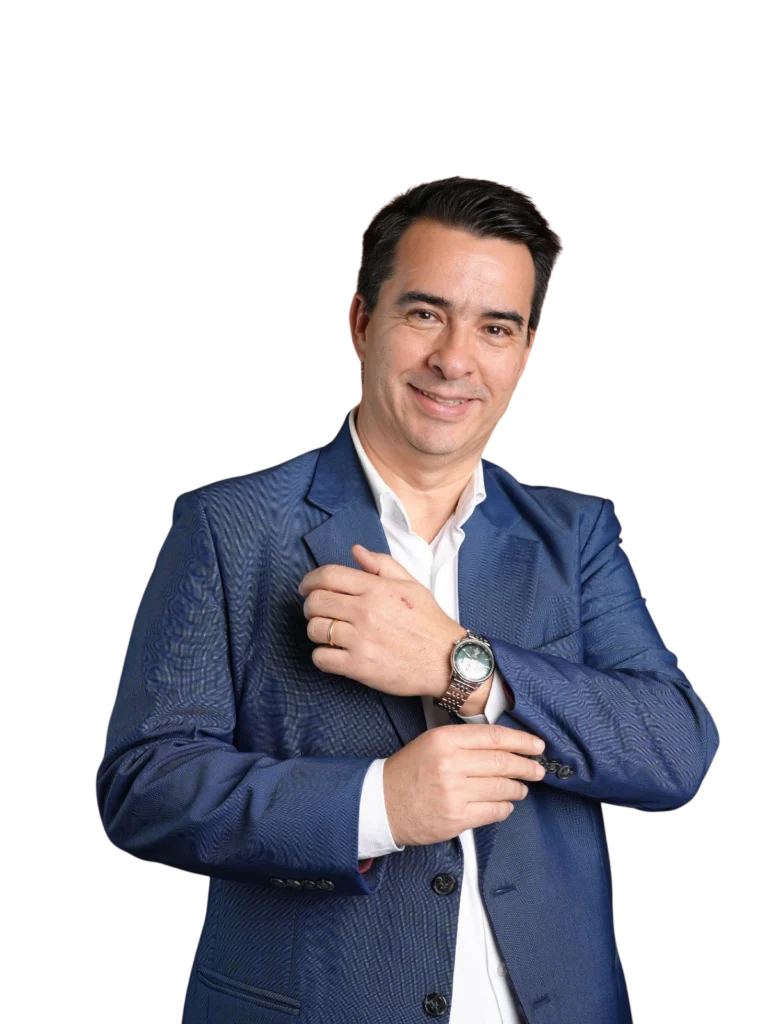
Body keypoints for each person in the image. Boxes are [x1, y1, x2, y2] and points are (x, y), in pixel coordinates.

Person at [96, 177, 721, 1023]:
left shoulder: (574, 536)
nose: (454, 360)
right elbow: (144, 788)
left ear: (526, 352)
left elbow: (674, 750)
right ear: (361, 322)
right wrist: (378, 804)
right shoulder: (228, 527)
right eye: (425, 313)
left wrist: (460, 666)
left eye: (494, 328)